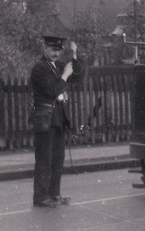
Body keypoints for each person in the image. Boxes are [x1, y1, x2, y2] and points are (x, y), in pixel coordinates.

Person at [30, 35, 82, 208]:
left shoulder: (57, 66)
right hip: (45, 117)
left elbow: (76, 78)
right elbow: (53, 91)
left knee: (58, 159)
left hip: (58, 118)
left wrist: (74, 55)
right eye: (53, 49)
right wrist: (65, 75)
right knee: (45, 159)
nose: (56, 53)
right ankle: (41, 197)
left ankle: (54, 195)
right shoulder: (39, 68)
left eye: (59, 50)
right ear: (44, 49)